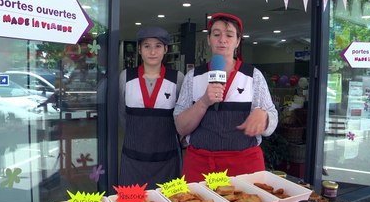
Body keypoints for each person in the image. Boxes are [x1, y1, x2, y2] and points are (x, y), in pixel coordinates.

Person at [174, 13, 278, 182]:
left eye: (229, 35)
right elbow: (180, 127)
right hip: (201, 166)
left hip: (244, 167)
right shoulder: (193, 76)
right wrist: (204, 102)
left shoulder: (253, 76)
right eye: (216, 34)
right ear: (209, 39)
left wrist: (264, 115)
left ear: (237, 41)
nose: (222, 40)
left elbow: (272, 120)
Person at [118, 26, 185, 189]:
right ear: (139, 49)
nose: (152, 52)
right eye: (147, 46)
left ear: (166, 49)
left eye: (158, 46)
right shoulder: (125, 77)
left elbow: (182, 118)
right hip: (133, 157)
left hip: (167, 159)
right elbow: (121, 114)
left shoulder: (177, 78)